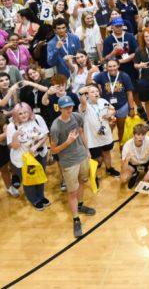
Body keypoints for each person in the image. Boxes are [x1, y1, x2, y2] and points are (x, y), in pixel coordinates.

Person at [49, 96, 96, 238]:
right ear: (60, 108)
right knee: (72, 192)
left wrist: (87, 150)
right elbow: (53, 150)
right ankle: (76, 218)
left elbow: (81, 133)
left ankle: (80, 205)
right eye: (66, 107)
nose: (69, 109)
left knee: (82, 181)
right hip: (69, 162)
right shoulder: (55, 127)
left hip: (82, 156)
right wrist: (68, 142)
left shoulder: (76, 116)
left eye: (70, 106)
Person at [120, 123, 149, 189]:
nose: (140, 137)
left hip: (147, 162)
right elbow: (122, 167)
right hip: (133, 164)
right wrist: (127, 159)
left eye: (143, 135)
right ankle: (135, 173)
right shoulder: (127, 145)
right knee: (123, 179)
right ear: (134, 135)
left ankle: (148, 171)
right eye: (138, 134)